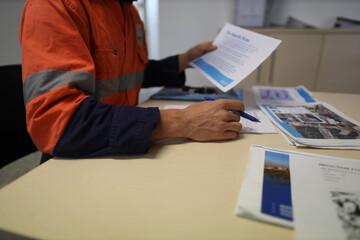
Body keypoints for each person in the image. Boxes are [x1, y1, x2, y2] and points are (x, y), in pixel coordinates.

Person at [20, 0, 245, 162]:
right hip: (77, 160)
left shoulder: (130, 13)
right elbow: (56, 123)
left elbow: (131, 74)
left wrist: (183, 60)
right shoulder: (53, 5)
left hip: (124, 147)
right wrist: (183, 121)